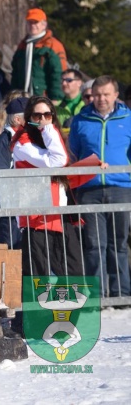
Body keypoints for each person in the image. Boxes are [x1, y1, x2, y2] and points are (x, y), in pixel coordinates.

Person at [68, 75, 131, 297]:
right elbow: (73, 153)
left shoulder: (128, 118)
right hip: (89, 190)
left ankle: (121, 293)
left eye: (106, 94)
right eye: (97, 94)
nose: (101, 99)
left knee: (119, 244)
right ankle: (97, 295)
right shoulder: (80, 120)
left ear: (115, 95)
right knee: (94, 245)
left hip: (121, 188)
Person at [11, 96, 80, 276]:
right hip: (36, 215)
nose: (42, 120)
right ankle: (39, 303)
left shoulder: (49, 137)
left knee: (70, 264)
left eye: (47, 115)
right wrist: (48, 128)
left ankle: (77, 303)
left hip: (57, 211)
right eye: (37, 116)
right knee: (39, 267)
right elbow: (57, 161)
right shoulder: (23, 143)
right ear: (29, 118)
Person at [0, 95, 28, 248]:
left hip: (24, 210)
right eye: (32, 116)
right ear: (18, 120)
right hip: (7, 212)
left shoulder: (27, 140)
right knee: (10, 254)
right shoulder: (2, 142)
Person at [10, 8, 64, 100]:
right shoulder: (23, 46)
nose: (32, 25)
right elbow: (15, 73)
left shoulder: (52, 45)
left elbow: (58, 74)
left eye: (36, 22)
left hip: (43, 97)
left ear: (44, 25)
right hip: (23, 97)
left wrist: (55, 99)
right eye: (30, 22)